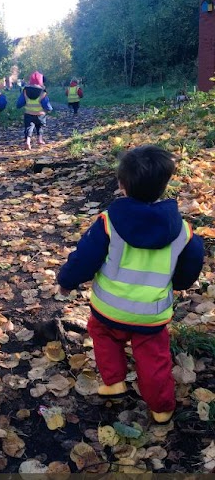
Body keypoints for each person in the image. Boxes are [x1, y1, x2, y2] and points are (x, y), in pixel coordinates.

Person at [57, 145, 204, 424]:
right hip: (151, 315)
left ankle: (113, 382)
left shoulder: (109, 223)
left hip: (108, 310)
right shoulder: (182, 231)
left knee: (103, 338)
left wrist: (67, 281)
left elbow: (85, 258)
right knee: (154, 360)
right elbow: (191, 263)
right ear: (165, 185)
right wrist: (180, 283)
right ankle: (161, 408)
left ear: (121, 185)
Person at [16, 71, 53, 149]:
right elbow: (46, 103)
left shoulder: (25, 91)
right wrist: (49, 109)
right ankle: (40, 139)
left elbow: (20, 103)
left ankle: (28, 142)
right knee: (40, 127)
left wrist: (18, 106)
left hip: (28, 114)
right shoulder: (42, 92)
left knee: (29, 128)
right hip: (40, 114)